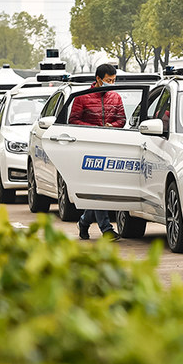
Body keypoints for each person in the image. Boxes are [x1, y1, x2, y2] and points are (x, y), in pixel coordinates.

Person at [69, 64, 125, 240]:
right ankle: (106, 229)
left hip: (109, 146)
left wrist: (112, 126)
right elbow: (73, 120)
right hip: (89, 148)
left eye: (114, 80)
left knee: (101, 190)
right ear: (98, 79)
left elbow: (121, 119)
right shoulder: (82, 97)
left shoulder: (115, 97)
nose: (111, 83)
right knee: (98, 188)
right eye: (109, 80)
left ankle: (84, 222)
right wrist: (95, 128)